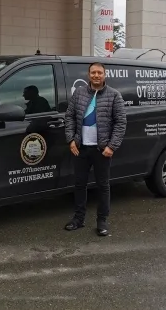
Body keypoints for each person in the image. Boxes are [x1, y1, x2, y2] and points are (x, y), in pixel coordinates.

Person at [63, 62, 127, 236]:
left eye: (99, 72)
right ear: (88, 75)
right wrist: (71, 140)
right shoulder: (79, 93)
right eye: (93, 72)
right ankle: (78, 219)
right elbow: (69, 117)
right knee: (79, 184)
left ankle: (102, 221)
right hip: (81, 148)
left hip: (102, 150)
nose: (96, 75)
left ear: (104, 75)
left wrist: (111, 146)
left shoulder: (114, 95)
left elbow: (121, 123)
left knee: (103, 186)